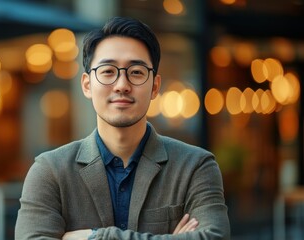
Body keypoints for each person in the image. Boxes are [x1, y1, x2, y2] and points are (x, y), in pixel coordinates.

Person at [15, 16, 230, 239]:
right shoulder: (50, 171)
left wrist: (96, 236)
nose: (121, 85)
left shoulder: (195, 166)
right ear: (87, 85)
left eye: (136, 72)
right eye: (108, 71)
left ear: (155, 86)